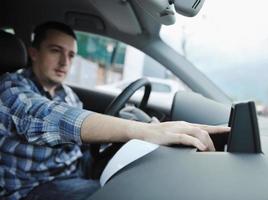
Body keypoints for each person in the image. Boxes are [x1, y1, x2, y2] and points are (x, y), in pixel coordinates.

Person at [0, 21, 229, 200]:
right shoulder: (10, 87)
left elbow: (82, 142)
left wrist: (147, 130)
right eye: (55, 50)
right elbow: (45, 115)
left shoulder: (66, 93)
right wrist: (139, 130)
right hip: (34, 187)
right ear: (33, 53)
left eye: (70, 55)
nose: (64, 62)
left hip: (75, 168)